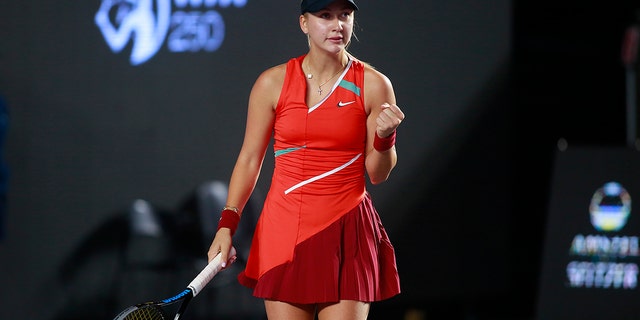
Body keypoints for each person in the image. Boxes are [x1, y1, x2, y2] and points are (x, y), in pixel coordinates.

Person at [207, 0, 405, 319]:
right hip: (284, 231)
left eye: (344, 15)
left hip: (347, 231)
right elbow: (249, 159)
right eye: (325, 16)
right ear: (304, 23)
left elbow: (377, 173)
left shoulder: (374, 84)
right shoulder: (271, 83)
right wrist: (226, 225)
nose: (336, 25)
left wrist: (385, 139)